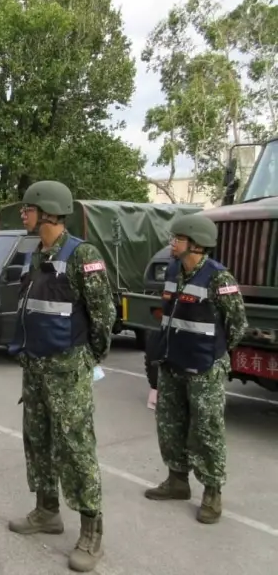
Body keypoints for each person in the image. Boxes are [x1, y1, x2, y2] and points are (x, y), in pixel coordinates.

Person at [6, 181, 116, 573]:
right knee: (37, 440)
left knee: (75, 448)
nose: (24, 213)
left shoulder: (82, 255)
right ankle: (46, 511)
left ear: (49, 212)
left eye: (28, 208)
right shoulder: (36, 254)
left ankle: (91, 531)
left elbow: (104, 317)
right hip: (35, 367)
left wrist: (87, 358)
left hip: (67, 369)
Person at [144, 214, 246, 525]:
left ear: (196, 245)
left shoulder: (219, 278)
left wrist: (214, 354)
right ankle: (177, 481)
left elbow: (237, 326)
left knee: (206, 431)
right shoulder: (173, 270)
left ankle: (212, 492)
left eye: (177, 239)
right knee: (170, 424)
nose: (172, 243)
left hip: (204, 367)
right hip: (173, 362)